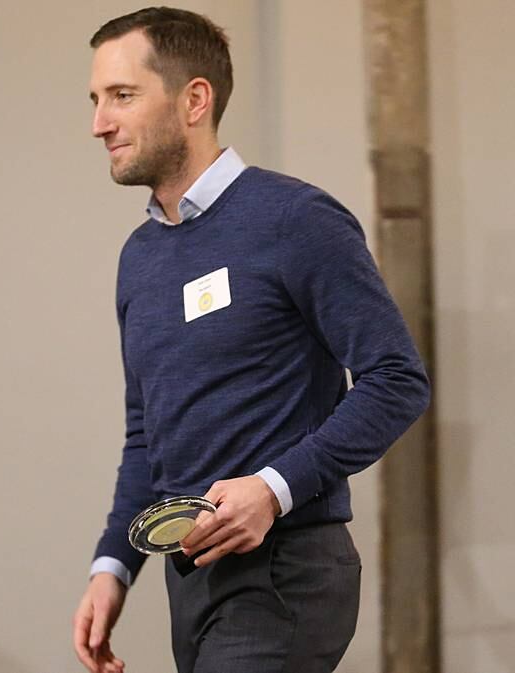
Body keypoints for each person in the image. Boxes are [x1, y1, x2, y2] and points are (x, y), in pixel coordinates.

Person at [73, 7, 430, 673]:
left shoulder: (296, 219)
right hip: (193, 578)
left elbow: (397, 378)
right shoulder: (140, 258)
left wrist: (274, 486)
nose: (99, 122)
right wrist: (112, 565)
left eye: (121, 96)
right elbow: (146, 432)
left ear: (194, 100)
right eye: (95, 100)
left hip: (285, 570)